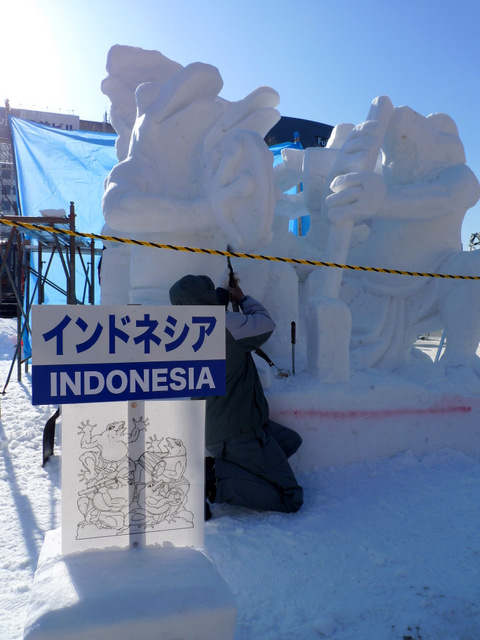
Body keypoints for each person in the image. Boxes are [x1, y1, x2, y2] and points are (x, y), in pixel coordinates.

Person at [169, 273, 303, 519]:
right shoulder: (226, 326)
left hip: (218, 425)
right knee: (290, 498)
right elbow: (265, 323)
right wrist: (241, 298)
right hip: (238, 433)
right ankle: (212, 480)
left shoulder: (181, 333)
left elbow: (211, 317)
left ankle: (236, 473)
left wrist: (222, 295)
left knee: (290, 441)